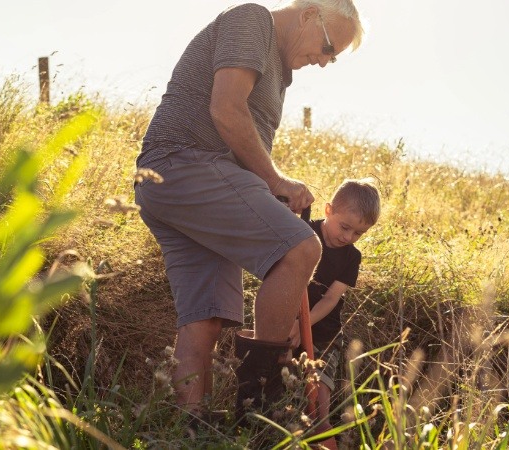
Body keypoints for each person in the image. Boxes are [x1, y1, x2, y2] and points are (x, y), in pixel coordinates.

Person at [133, 0, 365, 420]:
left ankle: (191, 428)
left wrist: (265, 188)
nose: (327, 62)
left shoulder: (282, 72)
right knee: (301, 248)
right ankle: (259, 409)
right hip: (185, 163)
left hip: (195, 186)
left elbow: (245, 143)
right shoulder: (253, 19)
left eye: (334, 58)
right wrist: (275, 182)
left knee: (208, 317)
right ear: (309, 12)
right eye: (330, 48)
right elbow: (225, 108)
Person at [288, 178, 381, 435]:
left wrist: (303, 324)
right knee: (282, 375)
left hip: (325, 331)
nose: (348, 237)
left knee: (320, 386)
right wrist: (293, 324)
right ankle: (283, 427)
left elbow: (331, 299)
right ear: (329, 210)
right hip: (287, 319)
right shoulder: (304, 232)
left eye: (358, 233)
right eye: (344, 227)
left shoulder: (352, 256)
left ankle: (321, 428)